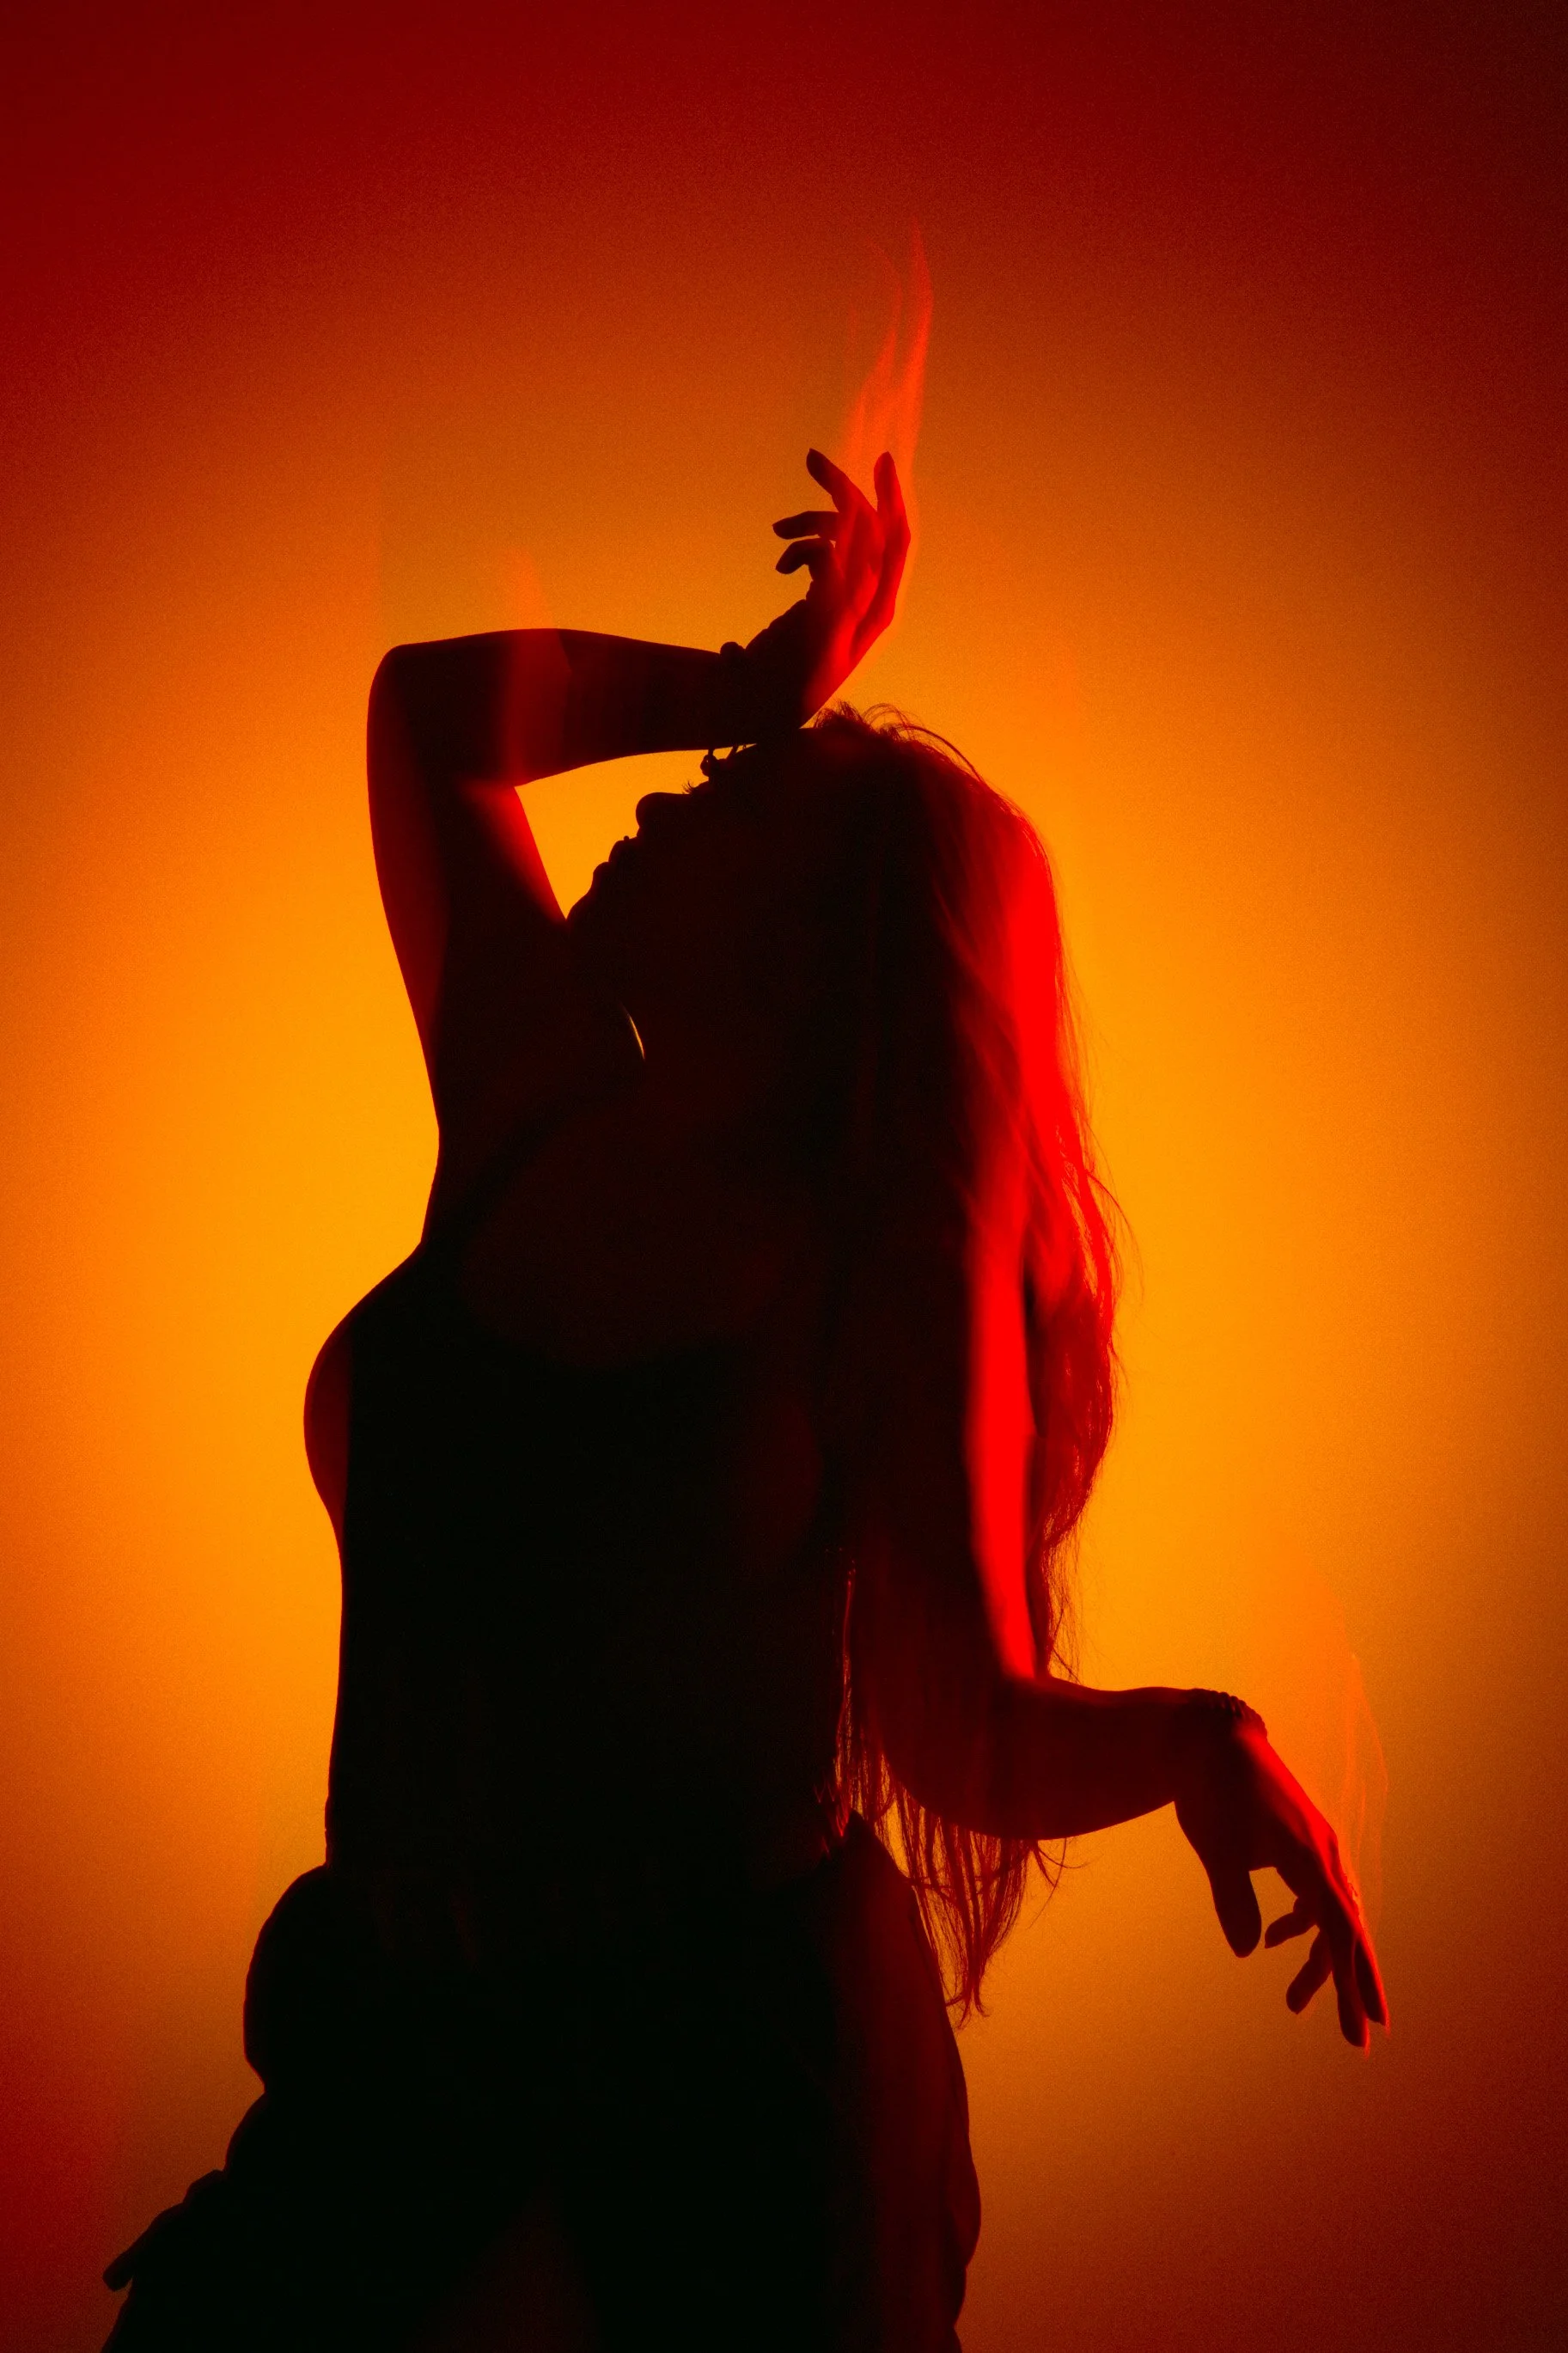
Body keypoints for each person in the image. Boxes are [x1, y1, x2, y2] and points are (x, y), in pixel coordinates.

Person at [103, 450, 1386, 2352]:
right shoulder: (528, 1102)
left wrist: (1207, 1738)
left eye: (728, 797)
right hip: (411, 2053)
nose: (656, 801)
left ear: (816, 942)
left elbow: (963, 1723)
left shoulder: (859, 1270)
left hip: (713, 2104)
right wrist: (749, 684)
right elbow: (430, 718)